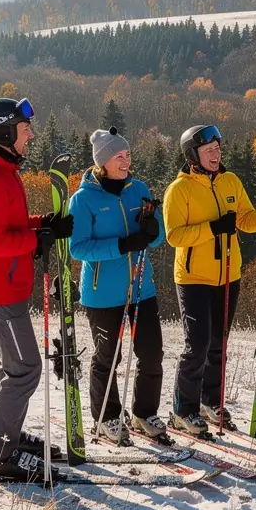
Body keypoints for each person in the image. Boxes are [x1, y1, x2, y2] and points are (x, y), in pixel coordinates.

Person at [0, 97, 73, 481]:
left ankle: (2, 436)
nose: (31, 136)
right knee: (24, 370)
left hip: (5, 287)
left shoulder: (0, 171)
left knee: (14, 367)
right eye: (25, 131)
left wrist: (44, 224)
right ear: (4, 132)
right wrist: (36, 237)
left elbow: (13, 223)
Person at [163, 124, 256, 437]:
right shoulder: (179, 189)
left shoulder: (230, 181)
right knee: (197, 344)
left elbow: (243, 220)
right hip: (193, 278)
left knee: (218, 344)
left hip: (229, 275)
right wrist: (214, 228)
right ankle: (182, 410)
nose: (216, 153)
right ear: (193, 155)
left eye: (218, 148)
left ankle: (209, 402)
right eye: (208, 150)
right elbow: (174, 236)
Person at [68, 127, 166, 443]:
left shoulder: (139, 189)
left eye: (127, 155)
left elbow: (159, 236)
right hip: (101, 295)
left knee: (151, 353)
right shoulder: (83, 199)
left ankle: (143, 413)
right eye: (118, 156)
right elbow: (78, 248)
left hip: (141, 288)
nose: (126, 161)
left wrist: (153, 230)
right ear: (103, 162)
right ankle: (107, 417)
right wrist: (121, 245)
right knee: (108, 357)